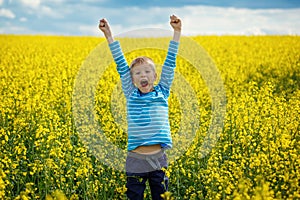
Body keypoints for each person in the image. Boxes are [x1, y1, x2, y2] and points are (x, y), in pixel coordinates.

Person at [99, 15, 181, 200]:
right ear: (133, 79)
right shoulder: (131, 94)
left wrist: (177, 32)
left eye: (147, 71)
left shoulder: (162, 92)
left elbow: (170, 63)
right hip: (135, 159)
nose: (142, 75)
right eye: (137, 73)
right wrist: (108, 35)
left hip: (158, 158)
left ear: (155, 76)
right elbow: (121, 65)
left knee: (161, 197)